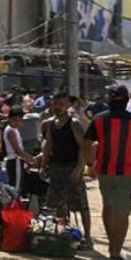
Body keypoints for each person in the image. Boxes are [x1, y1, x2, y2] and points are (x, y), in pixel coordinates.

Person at [81, 84, 131, 260]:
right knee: (121, 211)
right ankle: (115, 252)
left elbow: (86, 143)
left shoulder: (98, 120)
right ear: (127, 100)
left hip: (105, 171)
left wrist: (90, 164)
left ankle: (113, 246)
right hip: (127, 173)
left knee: (109, 206)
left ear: (108, 100)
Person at [40, 91, 92, 249]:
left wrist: (78, 169)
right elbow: (48, 146)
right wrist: (43, 166)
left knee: (81, 205)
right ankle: (64, 232)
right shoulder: (51, 124)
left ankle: (88, 238)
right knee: (58, 204)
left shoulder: (74, 124)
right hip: (56, 167)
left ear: (68, 105)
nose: (57, 107)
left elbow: (84, 148)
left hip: (71, 167)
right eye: (55, 104)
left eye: (61, 104)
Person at [3, 109, 36, 192]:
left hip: (16, 160)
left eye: (19, 120)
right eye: (14, 120)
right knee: (15, 188)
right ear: (9, 118)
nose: (17, 122)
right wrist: (31, 159)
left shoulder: (14, 130)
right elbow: (18, 151)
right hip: (15, 161)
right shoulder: (11, 131)